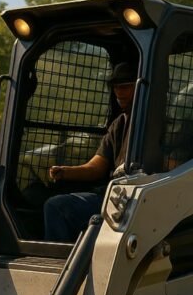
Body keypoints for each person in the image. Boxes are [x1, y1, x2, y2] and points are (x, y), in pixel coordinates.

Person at [43, 62, 136, 242]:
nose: (119, 93)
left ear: (140, 87)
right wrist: (66, 172)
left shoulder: (156, 124)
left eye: (125, 87)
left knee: (56, 207)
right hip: (112, 196)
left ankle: (60, 262)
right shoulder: (119, 124)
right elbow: (96, 167)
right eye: (116, 87)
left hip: (132, 201)